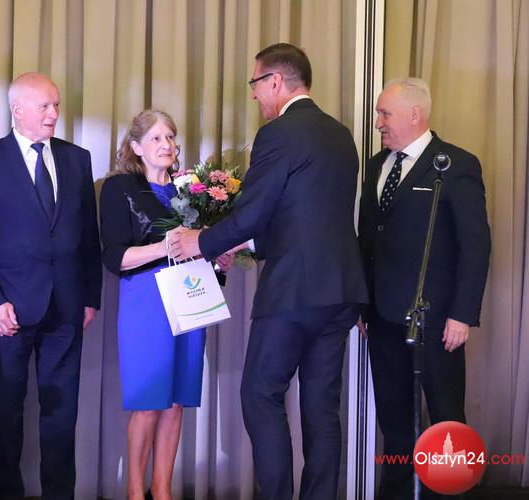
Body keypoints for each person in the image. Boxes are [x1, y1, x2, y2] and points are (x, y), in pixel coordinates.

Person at [169, 43, 368, 499]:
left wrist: (201, 241)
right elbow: (305, 216)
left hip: (294, 292)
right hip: (340, 291)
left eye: (256, 83)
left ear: (275, 81)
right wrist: (244, 242)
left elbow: (254, 212)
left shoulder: (278, 133)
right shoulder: (341, 135)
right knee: (321, 409)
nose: (255, 94)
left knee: (260, 395)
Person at [0, 72, 102, 500]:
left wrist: (90, 297)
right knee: (7, 415)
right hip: (10, 309)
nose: (54, 114)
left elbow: (89, 234)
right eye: (44, 106)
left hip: (66, 306)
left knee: (61, 416)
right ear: (17, 109)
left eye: (56, 105)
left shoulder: (77, 159)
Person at [357, 78, 491, 499]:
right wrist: (363, 306)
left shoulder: (455, 165)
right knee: (395, 420)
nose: (378, 122)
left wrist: (462, 314)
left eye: (385, 113)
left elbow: (475, 245)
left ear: (415, 114)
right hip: (382, 318)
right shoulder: (377, 166)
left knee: (446, 419)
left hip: (436, 320)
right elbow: (369, 239)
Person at [99, 110, 233, 499]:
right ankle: (134, 492)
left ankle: (162, 490)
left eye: (171, 137)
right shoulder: (120, 187)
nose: (166, 145)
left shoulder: (189, 190)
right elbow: (114, 257)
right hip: (146, 301)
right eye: (156, 138)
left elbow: (198, 249)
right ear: (136, 147)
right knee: (148, 402)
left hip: (189, 299)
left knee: (175, 402)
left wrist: (216, 257)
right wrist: (166, 246)